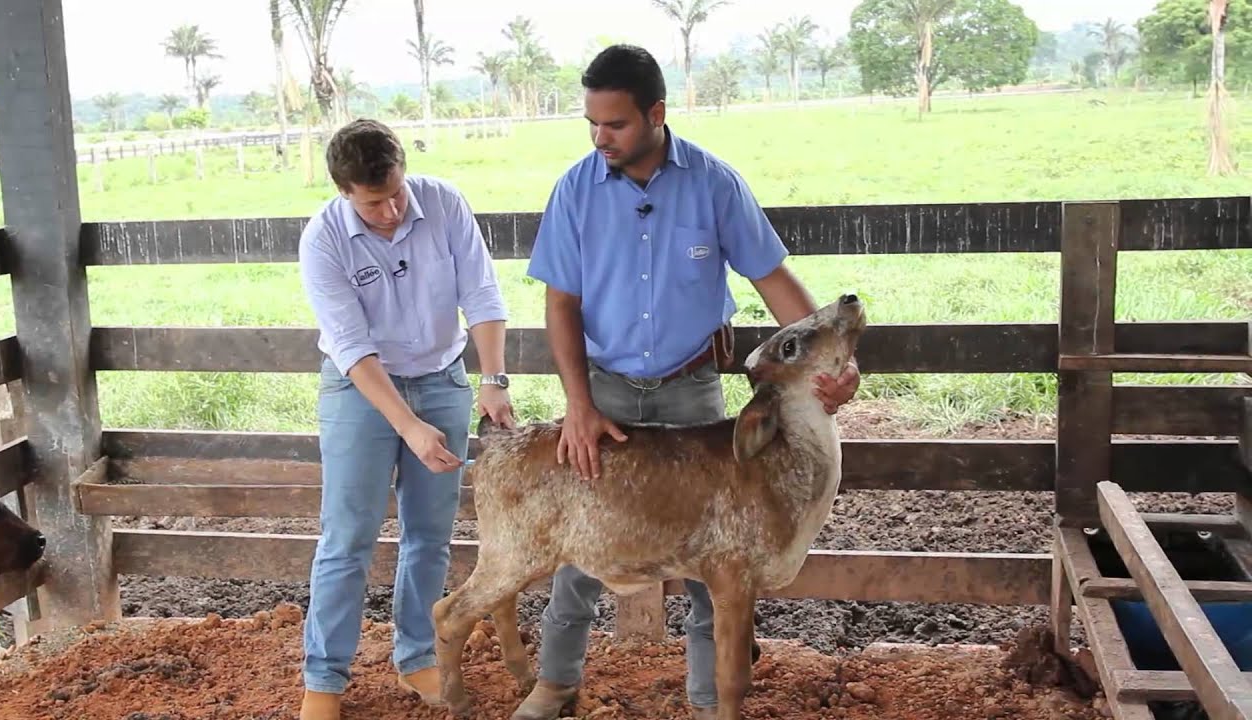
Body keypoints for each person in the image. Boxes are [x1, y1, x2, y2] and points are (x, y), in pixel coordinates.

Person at [517, 45, 861, 720]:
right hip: (606, 394)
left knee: (720, 561)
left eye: (614, 123)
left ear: (656, 114)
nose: (599, 137)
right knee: (579, 545)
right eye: (591, 122)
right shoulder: (575, 190)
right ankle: (555, 685)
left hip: (694, 392)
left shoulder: (713, 183)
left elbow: (773, 280)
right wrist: (577, 406)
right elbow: (561, 303)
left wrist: (837, 369)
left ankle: (710, 702)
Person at [296, 118, 517, 720]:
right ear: (344, 191)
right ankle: (324, 677)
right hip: (360, 388)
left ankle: (418, 655)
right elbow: (351, 346)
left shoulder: (444, 203)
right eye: (374, 203)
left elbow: (483, 294)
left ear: (403, 168)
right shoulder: (323, 240)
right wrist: (409, 427)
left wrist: (492, 380)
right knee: (348, 535)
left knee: (430, 533)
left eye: (397, 192)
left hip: (444, 378)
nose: (392, 210)